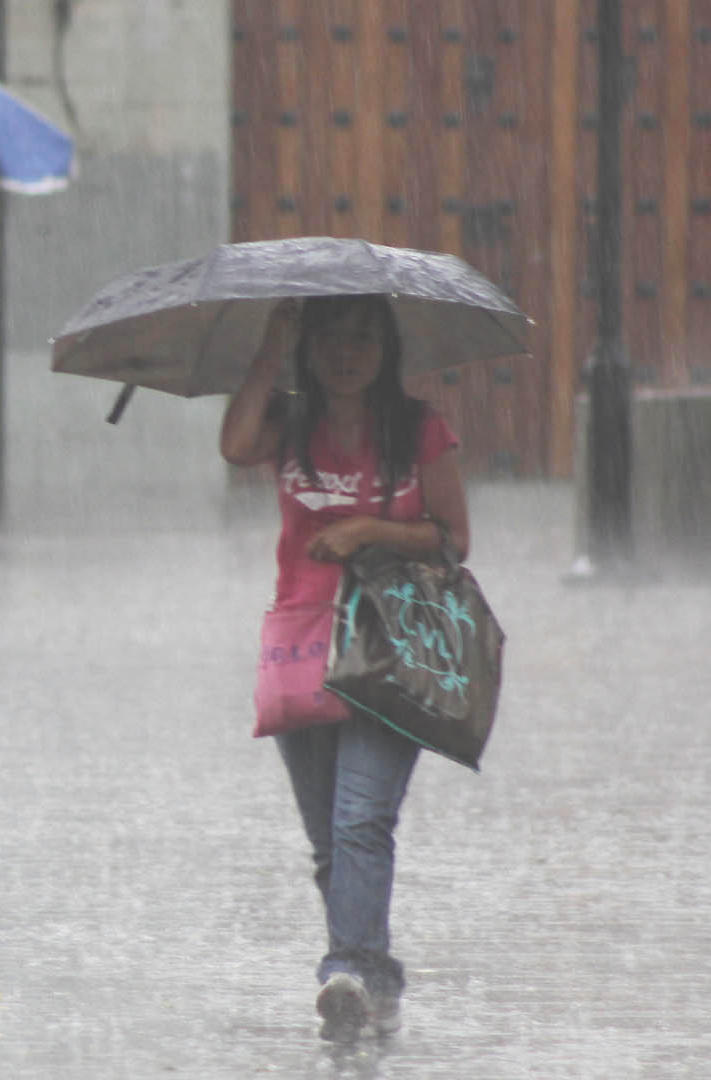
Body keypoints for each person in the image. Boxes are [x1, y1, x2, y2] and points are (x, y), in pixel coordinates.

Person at [217, 294, 471, 1042]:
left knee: (363, 820)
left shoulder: (420, 430)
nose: (346, 353)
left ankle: (346, 969)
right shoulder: (291, 423)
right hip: (303, 646)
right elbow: (234, 445)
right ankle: (373, 973)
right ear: (309, 348)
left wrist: (368, 529)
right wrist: (269, 349)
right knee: (333, 838)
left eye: (361, 338)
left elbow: (454, 537)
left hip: (393, 647)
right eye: (330, 339)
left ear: (385, 347)